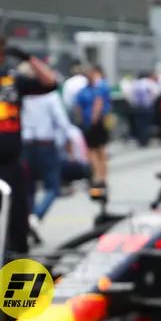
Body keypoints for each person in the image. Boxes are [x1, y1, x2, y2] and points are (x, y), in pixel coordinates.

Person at [0, 35, 57, 253]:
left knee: (18, 231)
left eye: (0, 54)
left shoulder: (13, 79)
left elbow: (50, 82)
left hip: (13, 168)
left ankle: (18, 284)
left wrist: (28, 58)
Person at [19, 63, 75, 236]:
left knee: (28, 188)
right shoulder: (49, 94)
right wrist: (67, 142)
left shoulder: (22, 95)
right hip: (45, 144)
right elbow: (62, 121)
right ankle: (35, 217)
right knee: (52, 187)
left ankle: (28, 219)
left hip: (26, 144)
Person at [75, 65, 112, 200]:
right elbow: (78, 108)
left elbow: (99, 104)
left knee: (98, 151)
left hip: (96, 123)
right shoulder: (84, 91)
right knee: (94, 151)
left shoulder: (97, 89)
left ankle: (100, 176)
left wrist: (93, 120)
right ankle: (99, 175)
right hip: (90, 123)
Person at [124, 72, 160, 147]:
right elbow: (156, 93)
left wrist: (133, 103)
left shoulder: (134, 83)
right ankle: (145, 140)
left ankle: (141, 140)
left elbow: (128, 94)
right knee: (146, 125)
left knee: (139, 124)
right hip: (147, 107)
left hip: (137, 107)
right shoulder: (149, 83)